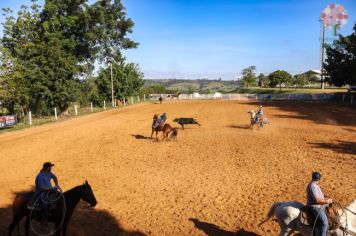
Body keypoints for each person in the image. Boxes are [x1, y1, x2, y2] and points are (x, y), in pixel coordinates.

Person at [306, 171, 333, 236]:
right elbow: (317, 200)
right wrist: (327, 201)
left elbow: (321, 196)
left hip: (320, 205)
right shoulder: (313, 186)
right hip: (314, 207)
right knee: (325, 223)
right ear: (318, 179)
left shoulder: (315, 185)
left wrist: (327, 198)